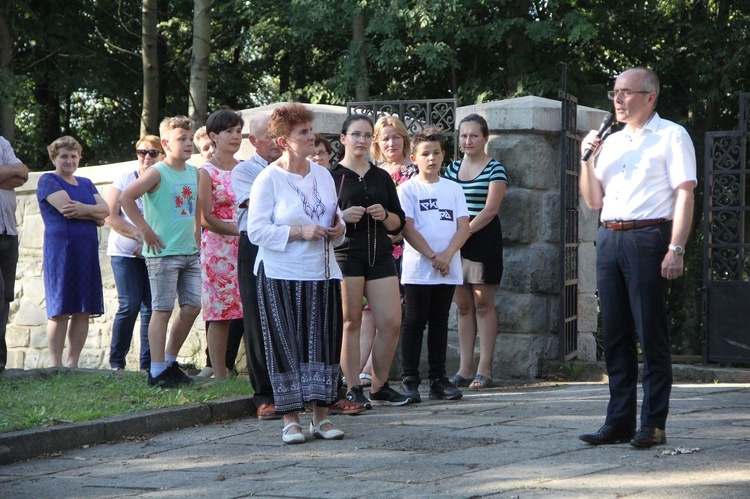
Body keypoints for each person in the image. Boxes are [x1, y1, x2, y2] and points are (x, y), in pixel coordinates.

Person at [578, 67, 696, 449]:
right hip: (609, 236)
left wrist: (675, 248)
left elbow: (684, 194)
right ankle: (619, 421)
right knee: (614, 335)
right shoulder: (609, 142)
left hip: (649, 237)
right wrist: (586, 160)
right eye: (615, 92)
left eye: (626, 92)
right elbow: (594, 200)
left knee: (650, 333)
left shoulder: (672, 135)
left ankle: (653, 424)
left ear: (650, 96)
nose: (618, 99)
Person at [247, 103, 347, 443]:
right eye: (303, 132)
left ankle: (321, 418)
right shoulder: (268, 179)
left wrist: (338, 229)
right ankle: (290, 420)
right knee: (284, 344)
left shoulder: (323, 174)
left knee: (323, 342)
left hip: (321, 272)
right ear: (283, 141)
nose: (311, 137)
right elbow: (256, 231)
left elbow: (335, 217)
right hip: (280, 273)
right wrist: (298, 232)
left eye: (310, 130)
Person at [330, 114, 411, 408]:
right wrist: (342, 217)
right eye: (356, 135)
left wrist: (384, 215)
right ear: (344, 139)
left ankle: (379, 385)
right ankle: (352, 388)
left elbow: (398, 223)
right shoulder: (332, 176)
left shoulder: (381, 177)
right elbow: (321, 221)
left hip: (380, 254)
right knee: (350, 322)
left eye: (367, 135)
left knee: (391, 322)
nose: (362, 140)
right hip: (346, 254)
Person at [120, 116, 201, 388]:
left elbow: (194, 210)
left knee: (192, 307)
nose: (189, 143)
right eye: (182, 139)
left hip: (189, 252)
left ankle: (168, 362)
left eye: (190, 139)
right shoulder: (157, 172)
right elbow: (125, 198)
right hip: (163, 253)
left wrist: (198, 238)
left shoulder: (194, 172)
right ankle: (155, 372)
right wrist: (144, 230)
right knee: (162, 309)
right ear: (166, 143)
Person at [398, 126, 470, 403]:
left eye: (436, 153)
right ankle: (410, 379)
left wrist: (448, 254)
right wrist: (432, 256)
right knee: (415, 321)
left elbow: (463, 227)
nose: (431, 158)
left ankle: (438, 379)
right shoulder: (408, 190)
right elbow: (408, 228)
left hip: (447, 265)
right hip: (420, 267)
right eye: (425, 153)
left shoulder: (453, 189)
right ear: (414, 157)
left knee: (440, 321)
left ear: (444, 156)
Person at [444, 114, 508, 390]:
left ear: (485, 139)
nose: (468, 140)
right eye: (464, 135)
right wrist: (454, 238)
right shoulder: (450, 169)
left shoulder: (495, 169)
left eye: (474, 135)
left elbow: (491, 209)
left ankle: (485, 368)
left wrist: (465, 232)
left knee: (483, 304)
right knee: (463, 306)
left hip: (482, 241)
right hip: (456, 241)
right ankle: (465, 368)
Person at [356, 115, 420, 386]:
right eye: (385, 138)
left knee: (392, 311)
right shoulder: (372, 172)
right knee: (368, 310)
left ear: (404, 139)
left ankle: (372, 371)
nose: (391, 143)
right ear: (377, 143)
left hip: (406, 247)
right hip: (375, 249)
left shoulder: (416, 171)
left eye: (396, 137)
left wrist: (397, 234)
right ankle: (356, 371)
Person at [37, 136, 109, 367]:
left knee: (83, 307)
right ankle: (56, 364)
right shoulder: (48, 180)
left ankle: (73, 363)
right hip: (61, 252)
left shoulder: (86, 183)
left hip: (86, 252)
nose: (69, 160)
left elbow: (105, 210)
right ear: (53, 158)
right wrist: (93, 213)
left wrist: (86, 210)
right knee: (61, 307)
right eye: (64, 156)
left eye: (73, 156)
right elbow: (68, 209)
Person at [105, 136, 163, 372]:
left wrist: (150, 240)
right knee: (129, 305)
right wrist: (141, 236)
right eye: (142, 152)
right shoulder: (125, 178)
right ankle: (117, 362)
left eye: (153, 152)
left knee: (151, 307)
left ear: (162, 154)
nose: (147, 157)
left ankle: (146, 365)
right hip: (124, 253)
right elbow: (111, 215)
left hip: (154, 253)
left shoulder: (164, 178)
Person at [193, 124, 243, 380]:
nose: (236, 137)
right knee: (221, 313)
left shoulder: (245, 167)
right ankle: (219, 375)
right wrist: (238, 231)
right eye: (229, 132)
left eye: (238, 131)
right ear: (213, 136)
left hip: (247, 247)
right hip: (219, 251)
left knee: (248, 310)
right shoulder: (206, 171)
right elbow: (203, 217)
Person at [0, 136, 29, 373]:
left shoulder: (1, 142)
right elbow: (14, 175)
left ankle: (1, 361)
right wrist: (7, 174)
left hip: (8, 231)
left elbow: (22, 174)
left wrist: (10, 173)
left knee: (6, 297)